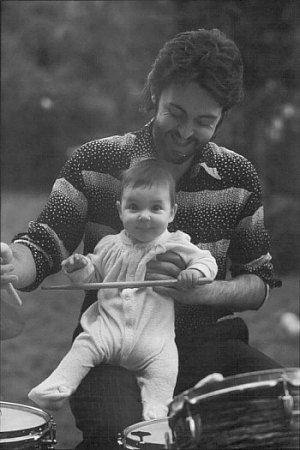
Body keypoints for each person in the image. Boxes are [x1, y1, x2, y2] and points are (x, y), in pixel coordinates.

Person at [1, 28, 282, 449]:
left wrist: (198, 292)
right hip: (112, 350)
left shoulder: (239, 176)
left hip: (212, 348)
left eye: (205, 121)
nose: (187, 132)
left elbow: (258, 282)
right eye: (176, 112)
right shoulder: (95, 160)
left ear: (224, 115)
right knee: (124, 437)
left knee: (281, 417)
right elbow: (43, 246)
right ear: (154, 94)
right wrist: (10, 264)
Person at [28, 160, 217, 419]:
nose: (144, 215)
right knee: (84, 346)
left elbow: (207, 261)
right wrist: (78, 267)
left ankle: (158, 412)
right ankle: (56, 388)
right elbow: (91, 276)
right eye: (134, 207)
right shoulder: (109, 245)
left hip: (154, 340)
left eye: (156, 208)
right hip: (108, 331)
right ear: (120, 210)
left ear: (171, 212)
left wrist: (195, 273)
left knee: (164, 372)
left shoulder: (176, 243)